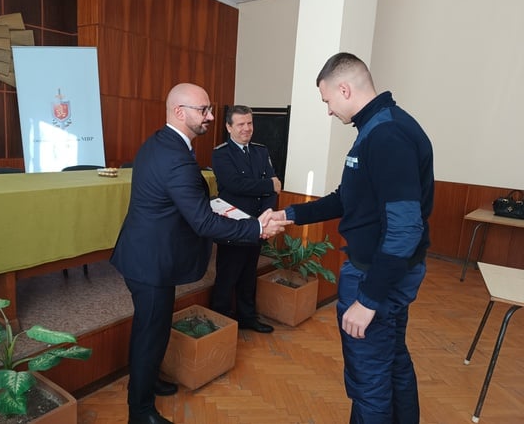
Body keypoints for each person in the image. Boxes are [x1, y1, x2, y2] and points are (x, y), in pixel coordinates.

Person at [269, 52, 434, 424]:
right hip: (386, 271)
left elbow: (405, 227)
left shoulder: (387, 135)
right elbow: (349, 198)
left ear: (344, 88)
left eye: (327, 100)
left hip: (376, 275)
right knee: (393, 362)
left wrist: (369, 299)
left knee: (369, 385)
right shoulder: (378, 127)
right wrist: (289, 215)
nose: (328, 110)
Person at [110, 83, 289, 424]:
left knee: (152, 329)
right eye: (203, 110)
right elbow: (204, 222)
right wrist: (255, 228)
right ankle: (140, 411)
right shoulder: (176, 157)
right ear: (179, 112)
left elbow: (188, 204)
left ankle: (145, 381)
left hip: (147, 253)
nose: (210, 116)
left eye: (209, 109)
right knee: (151, 332)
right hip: (151, 260)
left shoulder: (161, 141)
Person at [210, 105, 281, 333]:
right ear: (228, 127)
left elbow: (273, 190)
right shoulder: (221, 154)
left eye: (249, 123)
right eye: (241, 124)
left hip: (258, 223)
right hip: (234, 225)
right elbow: (235, 185)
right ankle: (220, 324)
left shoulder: (260, 151)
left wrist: (267, 215)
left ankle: (247, 317)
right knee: (228, 275)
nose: (246, 128)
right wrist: (269, 184)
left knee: (249, 273)